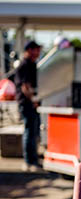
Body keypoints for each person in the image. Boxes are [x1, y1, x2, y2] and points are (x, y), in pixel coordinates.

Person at [15, 40, 42, 172]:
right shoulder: (24, 65)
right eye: (36, 49)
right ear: (30, 50)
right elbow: (25, 87)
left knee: (33, 132)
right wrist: (34, 100)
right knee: (29, 132)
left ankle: (33, 160)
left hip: (31, 104)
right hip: (26, 104)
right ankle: (28, 162)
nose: (38, 52)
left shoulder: (32, 64)